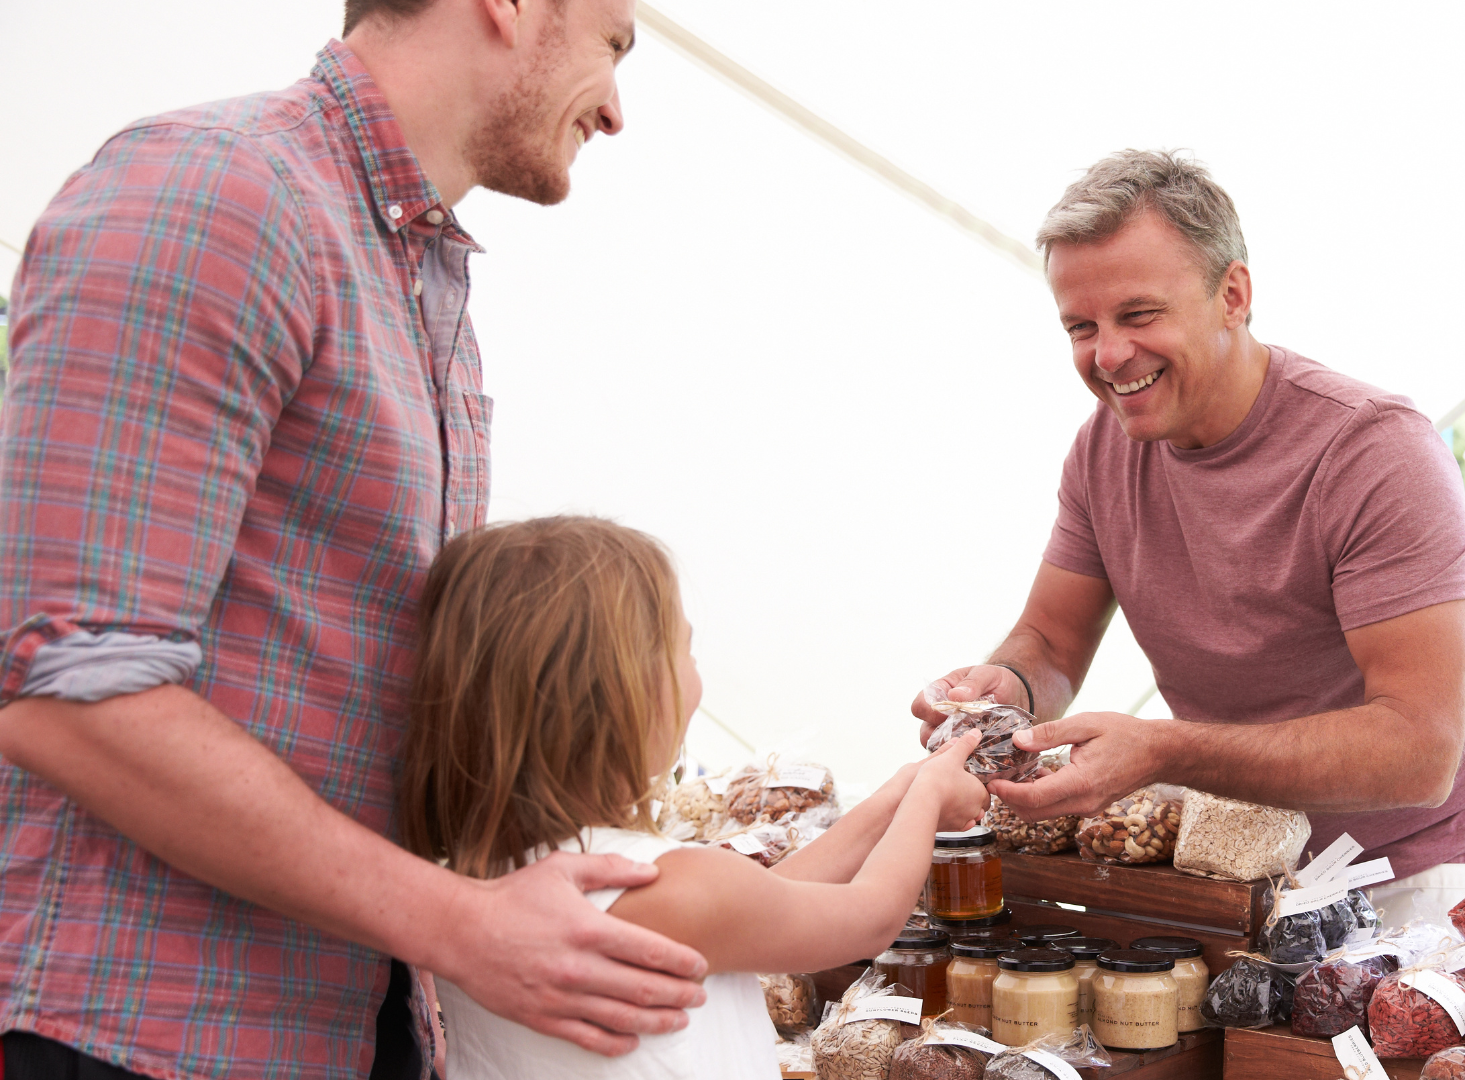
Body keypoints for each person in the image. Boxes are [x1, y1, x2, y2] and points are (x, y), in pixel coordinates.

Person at [0, 1, 707, 1075]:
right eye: (614, 44)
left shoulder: (412, 275)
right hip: (136, 1031)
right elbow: (59, 686)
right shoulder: (220, 193)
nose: (615, 109)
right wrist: (461, 925)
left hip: (333, 1017)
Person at [911, 150, 1465, 918]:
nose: (1107, 356)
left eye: (1139, 315)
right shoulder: (1103, 449)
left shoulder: (1373, 451)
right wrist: (1010, 689)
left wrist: (1165, 751)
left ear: (1233, 294)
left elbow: (1418, 751)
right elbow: (1050, 640)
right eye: (1081, 326)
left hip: (1418, 871)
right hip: (1235, 864)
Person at [403, 515, 989, 1078]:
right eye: (685, 651)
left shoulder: (471, 885)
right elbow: (870, 917)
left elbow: (773, 897)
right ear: (627, 699)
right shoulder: (675, 885)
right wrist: (931, 796)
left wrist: (897, 793)